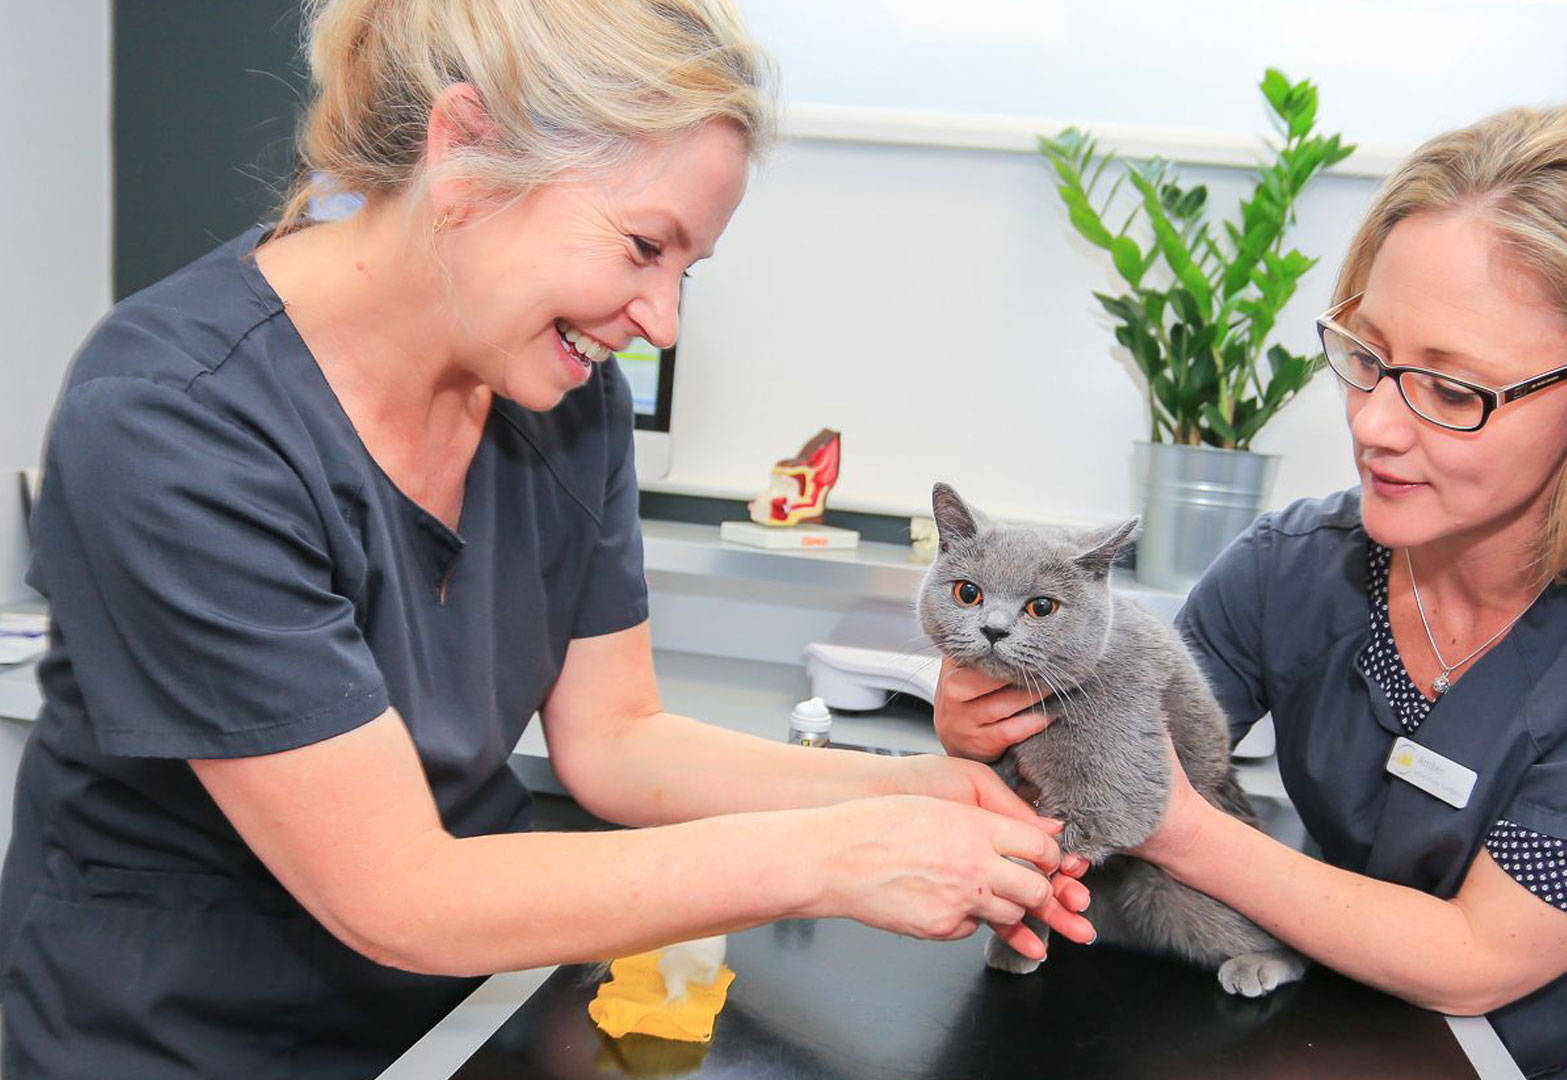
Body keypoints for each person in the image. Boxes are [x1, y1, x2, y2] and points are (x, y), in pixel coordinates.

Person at [0, 2, 1093, 1077]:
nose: (660, 322)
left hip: (451, 1015)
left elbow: (618, 740)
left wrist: (901, 795)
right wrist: (835, 857)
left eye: (686, 271)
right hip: (182, 1042)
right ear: (466, 153)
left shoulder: (563, 395)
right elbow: (403, 895)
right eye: (642, 246)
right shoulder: (172, 421)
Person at [937, 104, 1567, 1078]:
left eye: (1452, 388)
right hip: (1365, 1030)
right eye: (1368, 356)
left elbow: (1476, 963)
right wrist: (993, 710)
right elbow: (1120, 722)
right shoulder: (1295, 568)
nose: (1376, 424)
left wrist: (1174, 826)